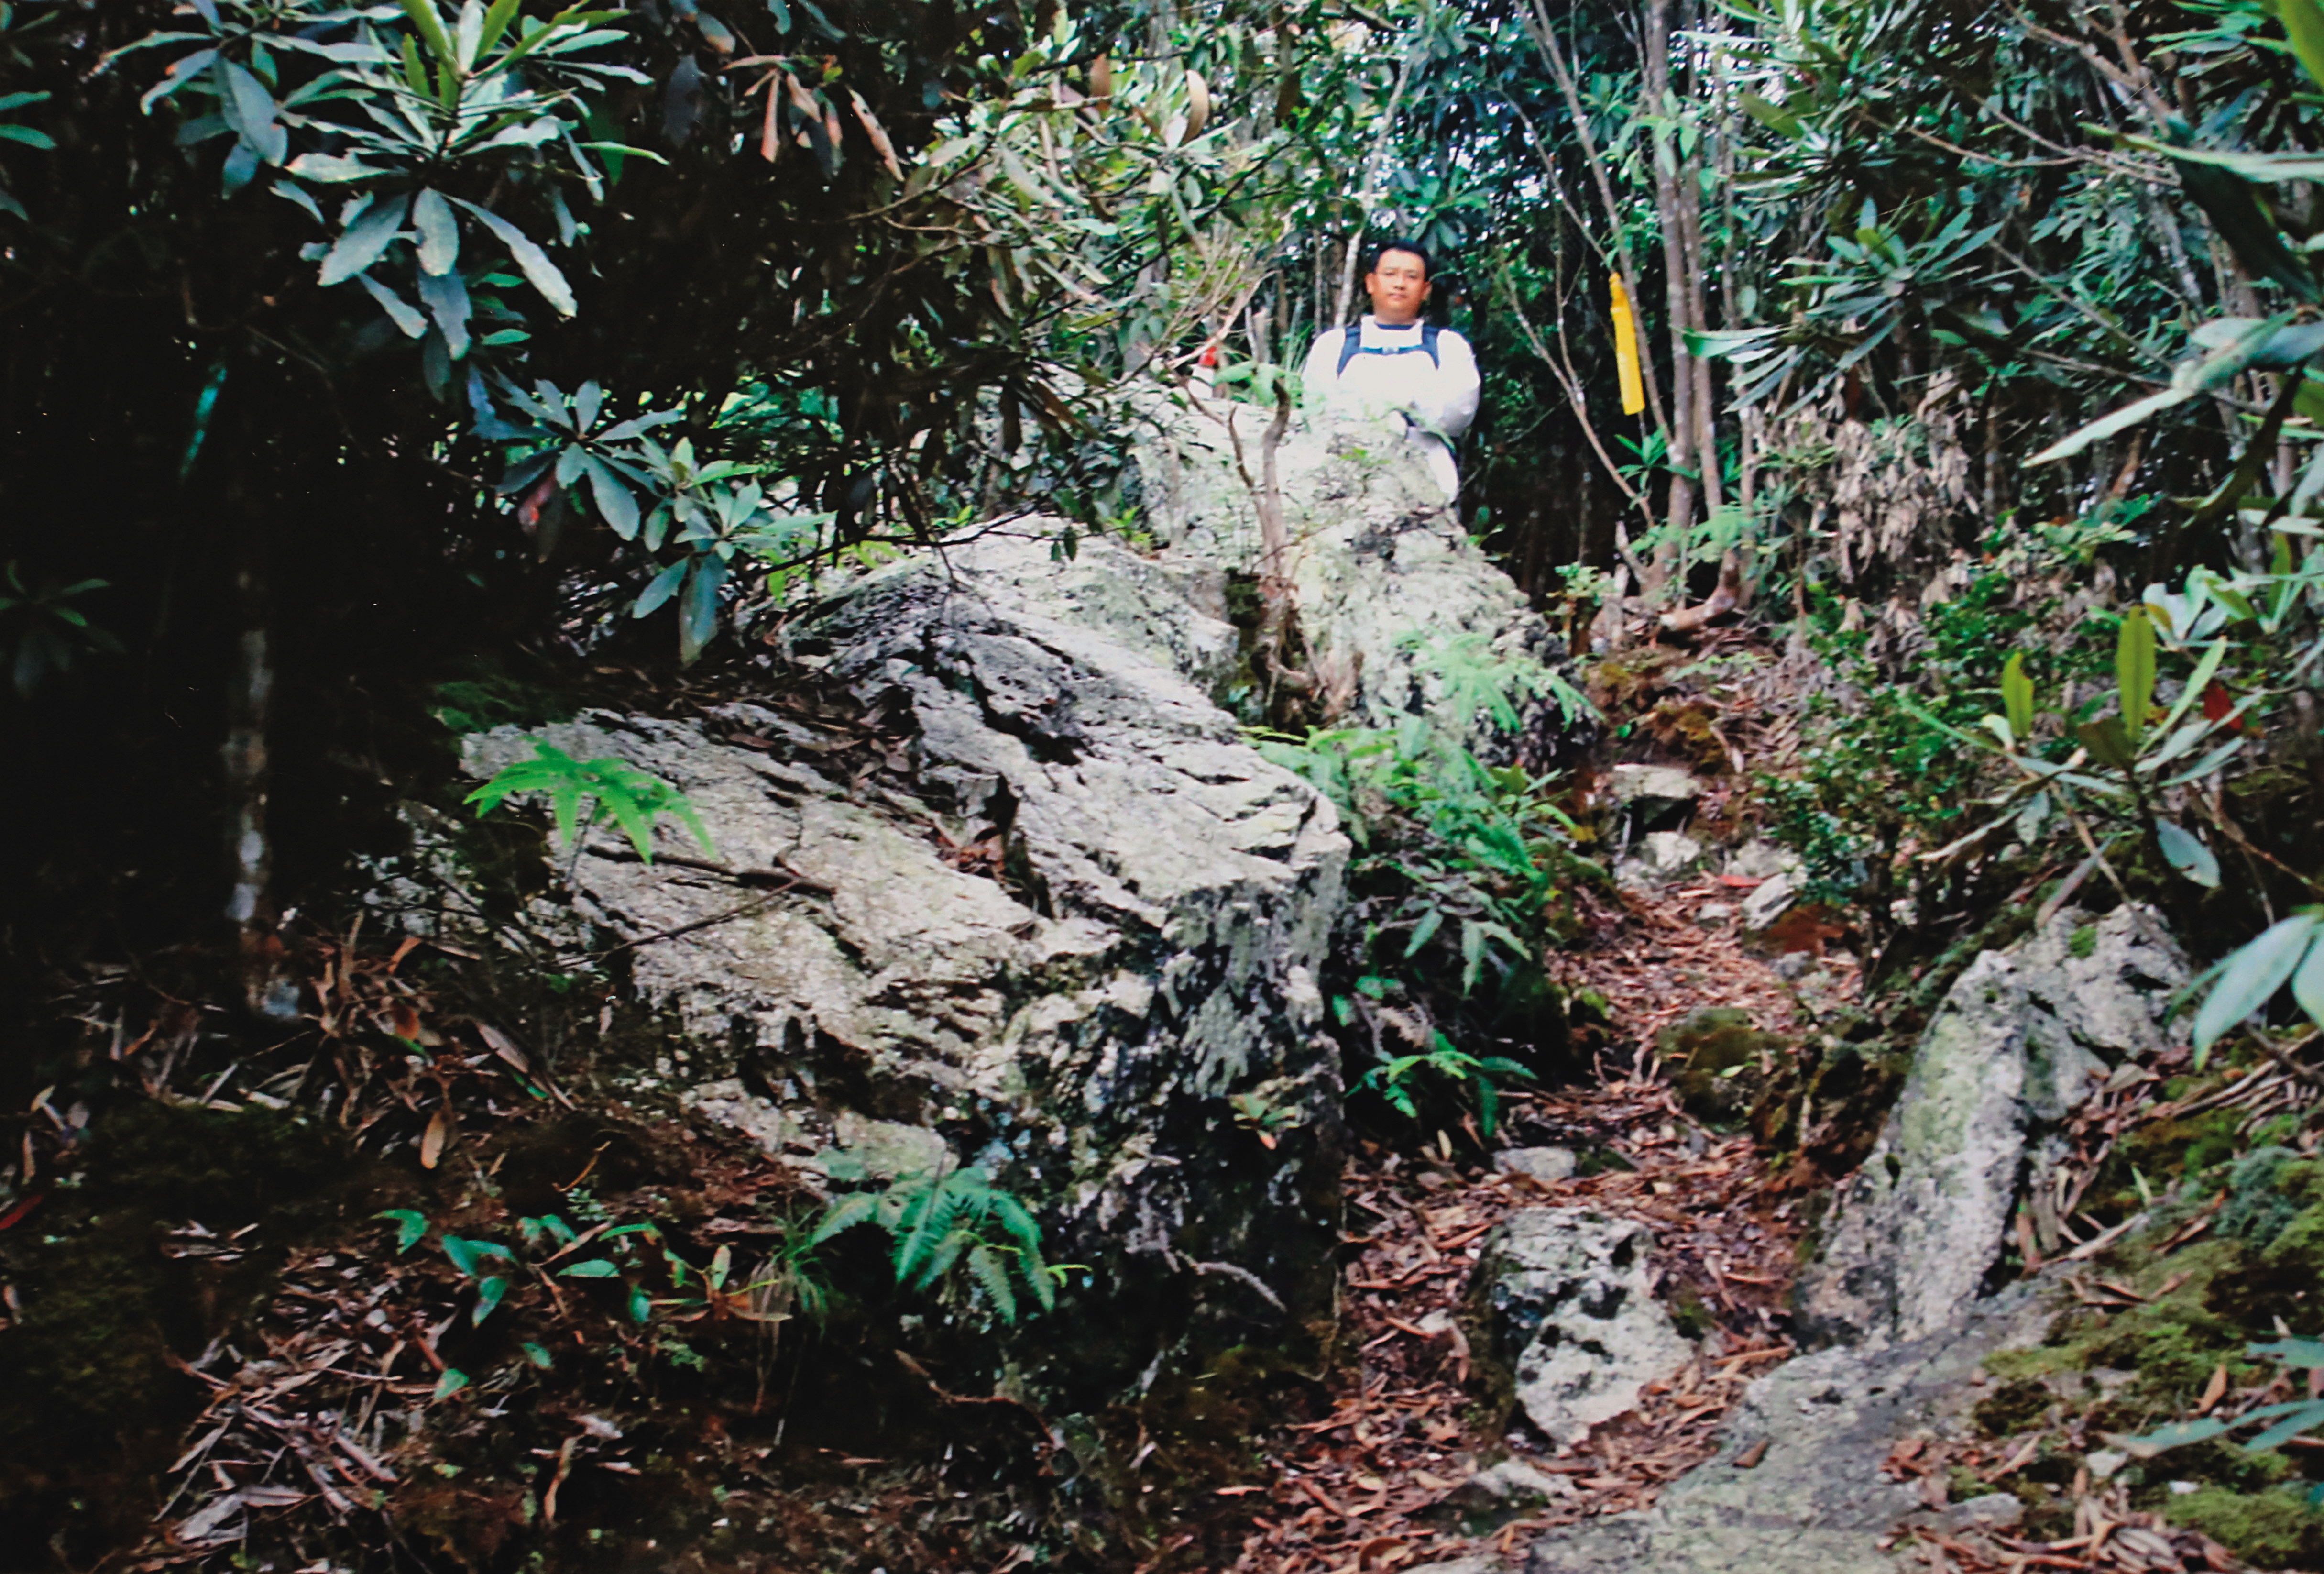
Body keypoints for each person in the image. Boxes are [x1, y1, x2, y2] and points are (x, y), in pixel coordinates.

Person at [1298, 240, 1481, 501]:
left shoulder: (1449, 346)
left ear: (1426, 289)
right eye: (1390, 274)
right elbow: (1317, 415)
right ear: (1371, 283)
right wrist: (1406, 401)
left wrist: (1380, 404)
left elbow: (1455, 417)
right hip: (1345, 493)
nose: (1399, 284)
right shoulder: (1333, 346)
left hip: (1429, 494)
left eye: (1412, 277)